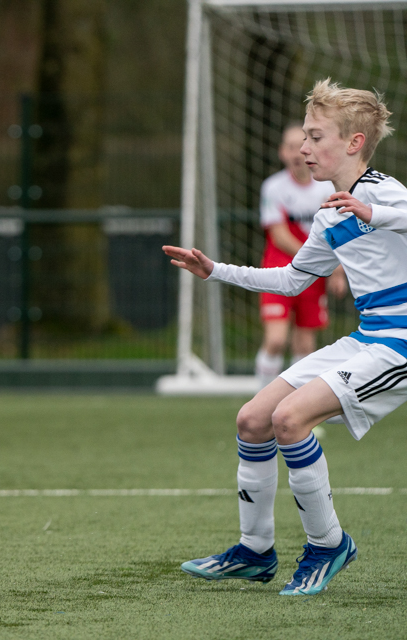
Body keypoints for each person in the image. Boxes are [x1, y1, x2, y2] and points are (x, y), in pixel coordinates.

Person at [164, 78, 402, 596]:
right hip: (367, 338)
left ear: (354, 143)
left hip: (399, 345)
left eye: (316, 137)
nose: (303, 147)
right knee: (253, 419)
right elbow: (292, 279)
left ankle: (327, 544)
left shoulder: (381, 192)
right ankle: (254, 551)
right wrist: (214, 270)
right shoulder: (330, 212)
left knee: (289, 420)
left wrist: (374, 213)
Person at [255, 125, 346, 387]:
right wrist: (317, 259)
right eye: (290, 146)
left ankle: (295, 410)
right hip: (278, 271)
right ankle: (262, 403)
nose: (297, 152)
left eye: (302, 144)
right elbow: (280, 235)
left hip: (313, 275)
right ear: (282, 152)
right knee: (276, 340)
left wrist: (337, 271)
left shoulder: (327, 188)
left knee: (305, 346)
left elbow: (335, 233)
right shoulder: (274, 187)